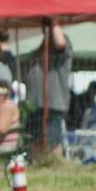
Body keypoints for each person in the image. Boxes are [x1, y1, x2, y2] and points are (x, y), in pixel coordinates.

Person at [25, 19, 73, 156]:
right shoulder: (44, 45)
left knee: (53, 140)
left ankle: (55, 164)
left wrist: (54, 21)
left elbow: (60, 43)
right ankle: (38, 164)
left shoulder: (63, 42)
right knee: (34, 139)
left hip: (53, 104)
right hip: (36, 104)